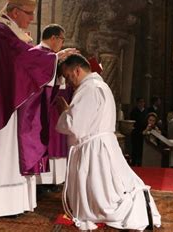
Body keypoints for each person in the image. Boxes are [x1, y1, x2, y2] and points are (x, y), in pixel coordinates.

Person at [0, 0, 76, 218]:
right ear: (15, 11)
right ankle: (2, 204)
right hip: (3, 106)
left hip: (15, 104)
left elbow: (25, 59)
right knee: (6, 151)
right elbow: (22, 59)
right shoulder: (1, 30)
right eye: (28, 13)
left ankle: (17, 202)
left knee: (16, 150)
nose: (31, 18)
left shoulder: (14, 32)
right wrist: (54, 58)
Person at [55, 54, 161, 231]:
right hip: (103, 144)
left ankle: (133, 208)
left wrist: (63, 111)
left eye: (68, 76)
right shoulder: (101, 85)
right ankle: (137, 204)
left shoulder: (88, 89)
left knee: (103, 197)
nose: (68, 82)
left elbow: (75, 126)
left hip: (94, 148)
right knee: (108, 186)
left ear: (77, 70)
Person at [35, 24, 70, 187]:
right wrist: (58, 57)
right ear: (54, 38)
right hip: (38, 107)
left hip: (47, 105)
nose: (62, 43)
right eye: (62, 40)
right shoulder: (39, 53)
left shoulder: (50, 56)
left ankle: (49, 181)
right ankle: (42, 182)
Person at [129, 97, 148, 166]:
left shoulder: (146, 111)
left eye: (143, 102)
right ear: (137, 103)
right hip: (136, 132)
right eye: (140, 102)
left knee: (141, 149)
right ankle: (133, 162)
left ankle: (140, 162)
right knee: (135, 148)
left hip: (143, 132)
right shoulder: (134, 111)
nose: (141, 104)